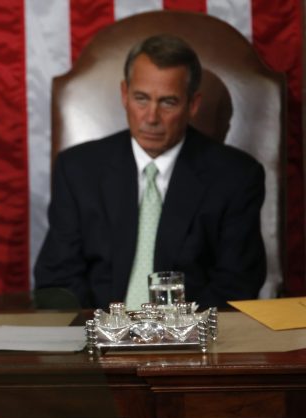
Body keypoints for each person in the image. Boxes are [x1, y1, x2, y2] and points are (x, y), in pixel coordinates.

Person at [34, 34, 266, 309]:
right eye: (141, 99)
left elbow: (236, 284)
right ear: (124, 94)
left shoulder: (236, 177)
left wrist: (177, 337)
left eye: (168, 102)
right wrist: (96, 337)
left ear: (192, 105)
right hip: (96, 339)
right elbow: (58, 279)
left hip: (191, 341)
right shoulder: (78, 169)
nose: (151, 117)